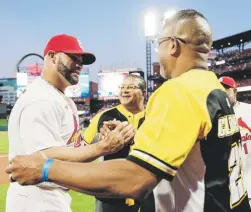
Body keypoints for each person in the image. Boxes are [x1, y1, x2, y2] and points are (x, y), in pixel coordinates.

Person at [7, 9, 251, 212]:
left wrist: (46, 168)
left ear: (173, 46)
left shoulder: (179, 90)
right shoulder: (213, 87)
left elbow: (135, 180)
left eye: (160, 44)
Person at [6, 34, 134, 212]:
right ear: (52, 57)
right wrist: (103, 147)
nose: (79, 64)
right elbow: (44, 157)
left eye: (81, 60)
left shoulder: (61, 98)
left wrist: (99, 138)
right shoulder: (40, 99)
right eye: (73, 57)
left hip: (53, 196)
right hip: (36, 199)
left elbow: (73, 149)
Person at [83, 74, 155, 212]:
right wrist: (100, 140)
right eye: (122, 87)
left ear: (143, 93)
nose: (125, 90)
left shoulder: (153, 117)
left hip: (148, 191)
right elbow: (83, 148)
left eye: (131, 87)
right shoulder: (104, 117)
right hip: (111, 193)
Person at [219, 76, 251, 205]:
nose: (222, 93)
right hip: (231, 189)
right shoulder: (215, 116)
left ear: (235, 91)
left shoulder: (248, 111)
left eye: (226, 89)